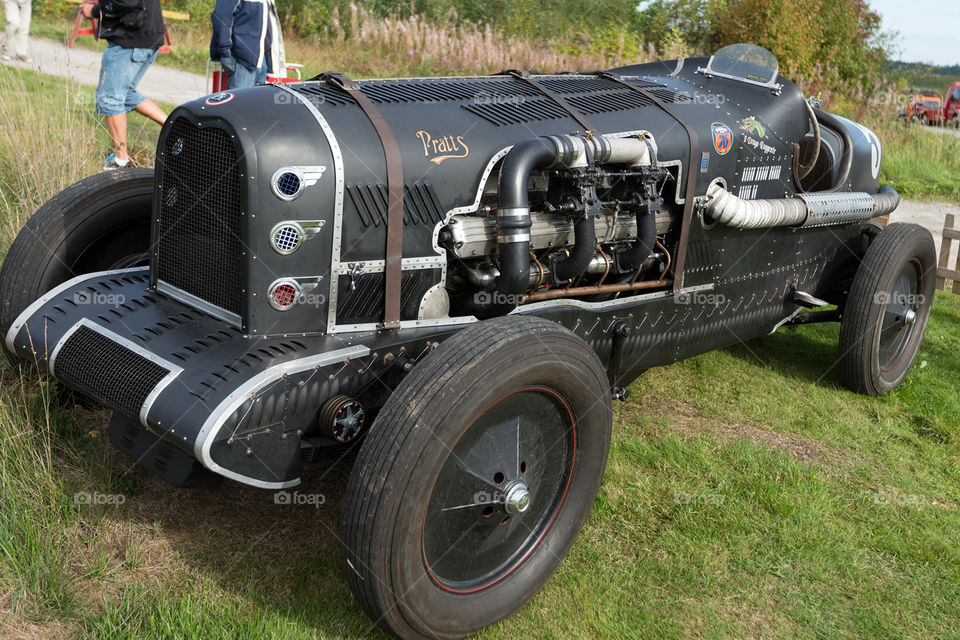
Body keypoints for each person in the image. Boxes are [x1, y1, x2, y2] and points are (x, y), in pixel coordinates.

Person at [81, 0, 167, 169]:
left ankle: (121, 161)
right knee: (125, 93)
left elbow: (127, 1)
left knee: (109, 98)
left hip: (130, 41)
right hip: (145, 38)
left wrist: (95, 10)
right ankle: (175, 125)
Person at [210, 0, 284, 90]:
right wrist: (225, 52)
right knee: (239, 103)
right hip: (242, 62)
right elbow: (221, 17)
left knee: (256, 103)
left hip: (260, 62)